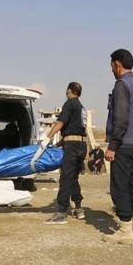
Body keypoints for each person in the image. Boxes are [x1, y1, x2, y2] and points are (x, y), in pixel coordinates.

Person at [103, 49, 133, 244]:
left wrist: (113, 145)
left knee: (119, 186)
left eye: (111, 65)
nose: (111, 69)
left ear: (117, 64)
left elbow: (120, 118)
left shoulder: (122, 85)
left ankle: (125, 230)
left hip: (124, 144)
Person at [40, 82, 88, 224]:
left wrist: (47, 138)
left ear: (70, 91)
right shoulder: (81, 108)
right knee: (73, 177)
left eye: (67, 92)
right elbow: (75, 130)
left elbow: (60, 123)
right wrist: (58, 144)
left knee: (66, 177)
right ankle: (78, 209)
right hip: (80, 145)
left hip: (72, 147)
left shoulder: (69, 104)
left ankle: (61, 212)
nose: (66, 94)